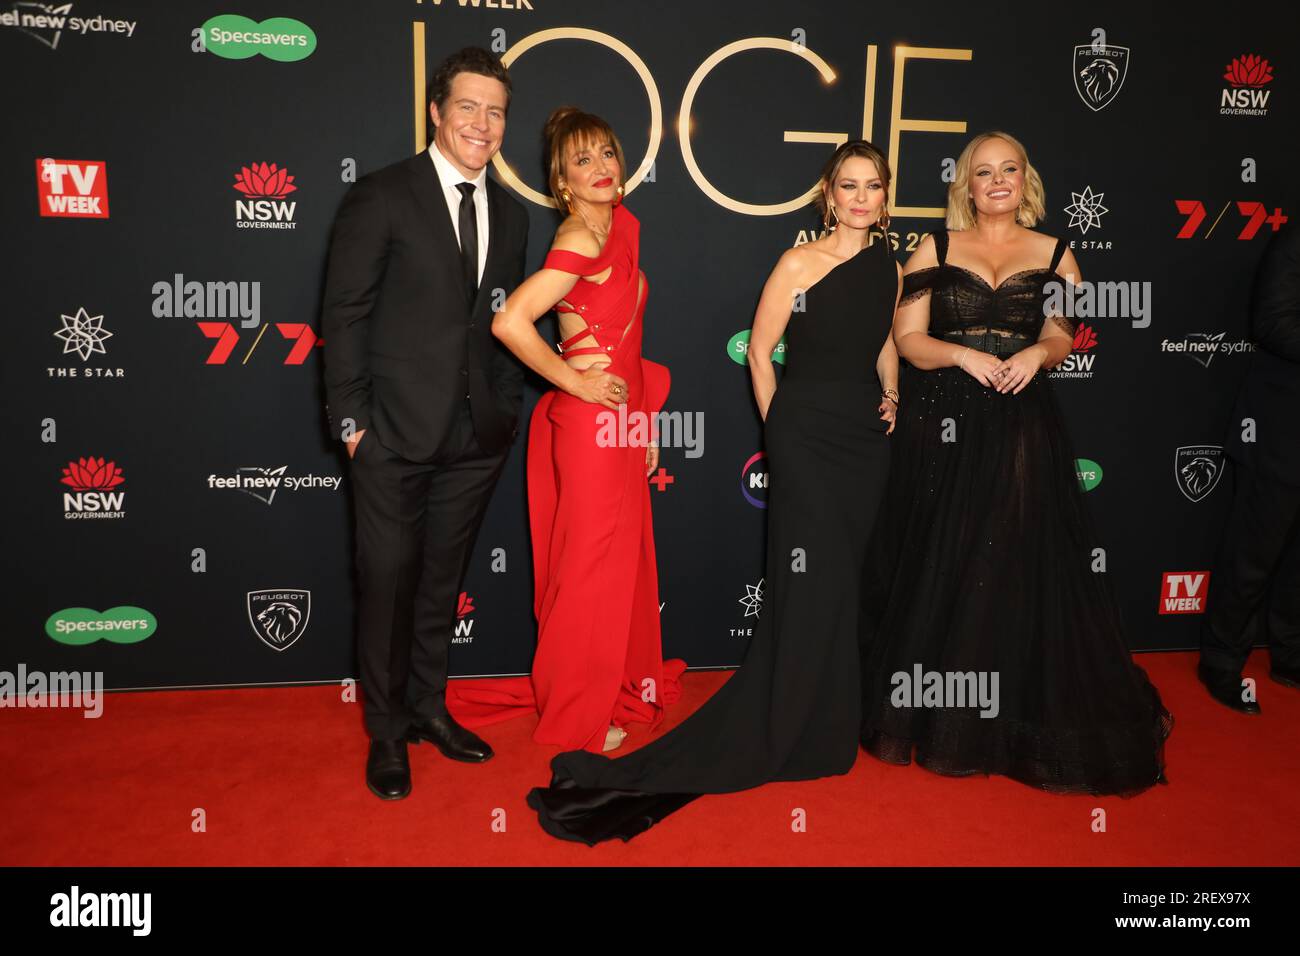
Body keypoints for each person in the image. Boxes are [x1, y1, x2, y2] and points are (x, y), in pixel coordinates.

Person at [524, 140, 901, 844]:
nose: (858, 197)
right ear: (828, 194)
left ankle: (830, 718)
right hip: (806, 438)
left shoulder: (889, 265)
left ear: (884, 196)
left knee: (845, 580)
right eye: (847, 185)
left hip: (864, 446)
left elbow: (883, 338)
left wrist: (894, 389)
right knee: (808, 579)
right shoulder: (797, 264)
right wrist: (779, 431)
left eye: (871, 186)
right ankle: (787, 719)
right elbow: (761, 353)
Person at [858, 131, 1172, 796]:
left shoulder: (1058, 254)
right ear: (965, 186)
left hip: (1020, 419)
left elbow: (1062, 334)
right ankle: (927, 713)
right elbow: (909, 341)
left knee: (1005, 560)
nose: (995, 181)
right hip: (938, 420)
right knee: (939, 560)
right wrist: (963, 355)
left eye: (1008, 170)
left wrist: (1038, 355)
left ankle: (993, 722)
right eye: (982, 172)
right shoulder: (934, 247)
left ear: (1024, 180)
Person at [320, 48, 530, 800]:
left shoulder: (513, 213)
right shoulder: (381, 196)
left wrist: (502, 410)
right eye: (468, 107)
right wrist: (353, 427)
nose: (482, 123)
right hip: (390, 439)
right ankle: (385, 735)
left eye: (496, 111)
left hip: (476, 442)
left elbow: (503, 322)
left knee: (442, 583)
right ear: (436, 112)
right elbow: (343, 316)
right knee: (386, 587)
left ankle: (428, 708)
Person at [490, 107, 685, 755]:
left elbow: (629, 336)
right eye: (583, 160)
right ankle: (575, 716)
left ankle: (603, 689)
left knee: (612, 572)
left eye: (607, 153)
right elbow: (512, 321)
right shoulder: (579, 236)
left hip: (623, 426)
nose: (601, 168)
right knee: (585, 577)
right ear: (561, 181)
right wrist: (576, 383)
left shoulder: (619, 227)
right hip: (590, 427)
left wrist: (644, 418)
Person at [1198, 219, 1300, 712]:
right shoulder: (1295, 240)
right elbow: (1274, 323)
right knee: (1254, 549)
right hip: (1281, 426)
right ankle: (1220, 660)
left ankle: (1290, 654)